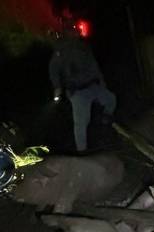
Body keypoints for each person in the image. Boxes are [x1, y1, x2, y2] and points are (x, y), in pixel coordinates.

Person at [49, 18, 116, 153]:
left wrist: (102, 81)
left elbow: (94, 65)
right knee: (81, 123)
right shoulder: (61, 49)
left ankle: (104, 121)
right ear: (67, 32)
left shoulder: (84, 46)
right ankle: (82, 152)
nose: (75, 32)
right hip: (78, 91)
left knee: (111, 99)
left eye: (75, 29)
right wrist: (57, 87)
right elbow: (53, 68)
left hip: (93, 86)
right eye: (71, 30)